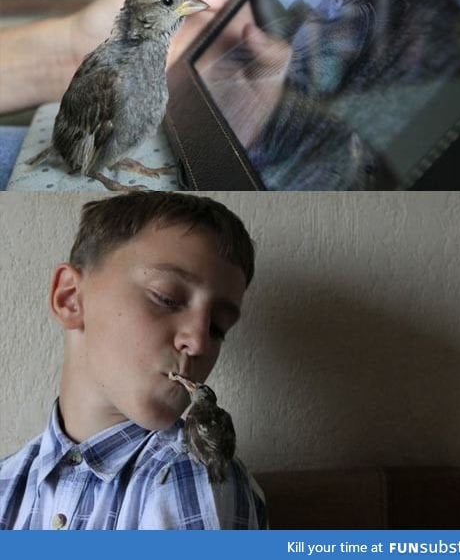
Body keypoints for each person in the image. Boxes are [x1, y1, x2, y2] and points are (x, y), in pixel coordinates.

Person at [0, 191, 266, 531]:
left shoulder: (189, 474)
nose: (198, 342)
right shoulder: (8, 484)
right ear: (70, 298)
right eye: (166, 298)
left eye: (217, 328)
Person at [0, 0, 233, 187]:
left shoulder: (149, 59)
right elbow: (86, 143)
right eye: (168, 2)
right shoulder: (109, 75)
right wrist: (101, 176)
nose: (188, 5)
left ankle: (119, 162)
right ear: (143, 14)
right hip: (80, 149)